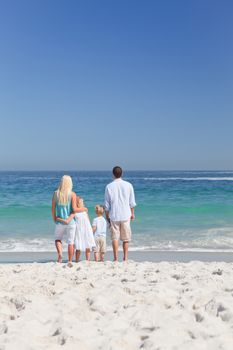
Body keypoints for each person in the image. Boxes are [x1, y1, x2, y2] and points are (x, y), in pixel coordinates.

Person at [52, 175, 88, 263]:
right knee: (70, 242)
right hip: (71, 222)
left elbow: (53, 208)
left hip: (60, 221)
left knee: (57, 239)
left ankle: (60, 254)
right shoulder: (72, 194)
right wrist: (84, 209)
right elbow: (75, 209)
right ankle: (70, 260)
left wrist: (55, 219)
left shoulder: (56, 193)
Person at [105, 166, 136, 261]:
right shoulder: (128, 185)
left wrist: (107, 217)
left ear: (113, 174)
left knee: (115, 238)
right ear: (122, 174)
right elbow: (132, 202)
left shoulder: (109, 186)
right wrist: (132, 213)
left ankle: (115, 258)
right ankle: (125, 258)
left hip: (114, 215)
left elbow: (107, 205)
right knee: (126, 238)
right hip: (126, 214)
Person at [60, 197, 95, 262]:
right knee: (78, 246)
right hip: (79, 230)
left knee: (88, 245)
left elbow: (87, 219)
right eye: (80, 202)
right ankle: (77, 260)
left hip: (86, 229)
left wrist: (90, 229)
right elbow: (70, 219)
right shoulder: (75, 212)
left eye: (82, 202)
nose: (82, 203)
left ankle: (88, 260)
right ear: (76, 204)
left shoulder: (85, 210)